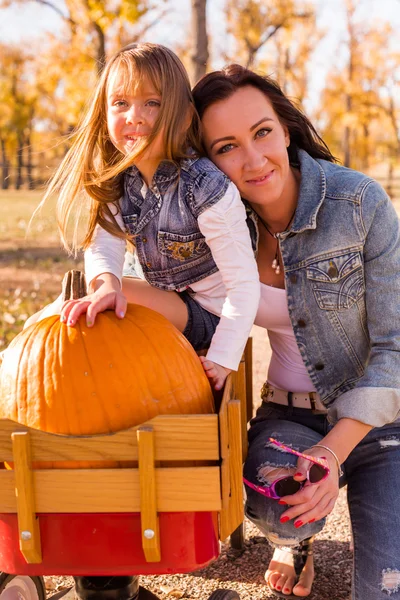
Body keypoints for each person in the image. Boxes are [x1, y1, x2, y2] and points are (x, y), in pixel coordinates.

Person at [188, 65, 400, 600]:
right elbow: (184, 307)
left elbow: (395, 345)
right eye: (226, 147)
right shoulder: (213, 225)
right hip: (289, 420)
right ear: (207, 163)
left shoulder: (359, 204)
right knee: (282, 509)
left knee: (385, 591)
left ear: (285, 127)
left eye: (262, 132)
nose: (254, 159)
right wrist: (108, 288)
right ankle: (295, 543)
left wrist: (333, 452)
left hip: (382, 425)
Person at [26, 43, 260, 391]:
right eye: (121, 103)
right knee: (68, 311)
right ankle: (23, 365)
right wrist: (106, 284)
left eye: (152, 103)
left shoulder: (206, 187)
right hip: (164, 293)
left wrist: (223, 357)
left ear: (181, 117)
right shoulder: (120, 179)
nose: (134, 115)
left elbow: (243, 285)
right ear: (105, 115)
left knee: (78, 310)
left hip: (211, 314)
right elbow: (103, 241)